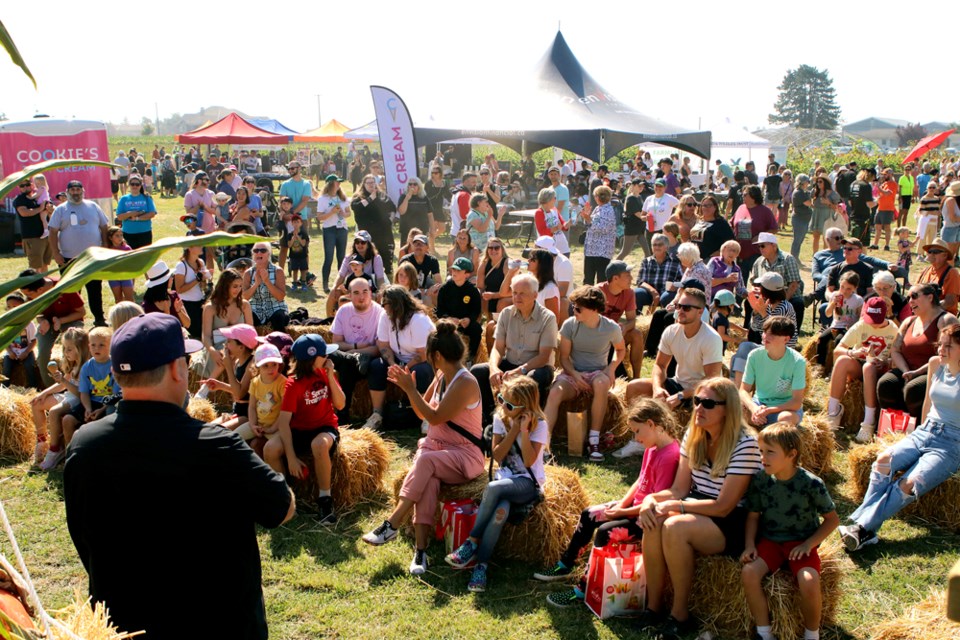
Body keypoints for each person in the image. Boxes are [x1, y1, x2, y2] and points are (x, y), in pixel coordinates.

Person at [63, 314, 294, 640]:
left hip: (125, 627)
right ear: (177, 369)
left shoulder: (83, 445)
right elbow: (283, 508)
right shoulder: (216, 445)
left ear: (115, 373)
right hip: (217, 626)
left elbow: (83, 537)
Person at [637, 377, 762, 639]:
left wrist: (674, 506)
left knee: (673, 526)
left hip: (731, 520)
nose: (698, 408)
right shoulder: (693, 435)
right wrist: (651, 500)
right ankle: (653, 606)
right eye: (696, 401)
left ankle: (680, 614)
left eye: (708, 403)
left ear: (728, 409)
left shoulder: (745, 444)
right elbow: (678, 490)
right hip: (696, 505)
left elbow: (724, 506)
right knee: (654, 520)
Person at [361, 320, 486, 577]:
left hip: (464, 455)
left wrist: (410, 388)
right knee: (428, 478)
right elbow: (423, 415)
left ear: (437, 356)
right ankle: (421, 551)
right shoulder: (441, 376)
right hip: (437, 450)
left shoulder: (465, 382)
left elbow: (436, 416)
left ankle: (392, 523)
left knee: (426, 462)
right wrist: (410, 391)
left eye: (430, 356)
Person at [535, 398, 681, 606]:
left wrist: (621, 514)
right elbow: (640, 481)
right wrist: (621, 505)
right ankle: (565, 564)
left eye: (637, 431)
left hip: (646, 520)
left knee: (606, 532)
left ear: (652, 424)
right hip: (632, 509)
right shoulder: (652, 447)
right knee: (590, 513)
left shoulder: (669, 456)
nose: (636, 438)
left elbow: (655, 505)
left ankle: (582, 590)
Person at [839, 323, 960, 553]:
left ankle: (861, 528)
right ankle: (866, 529)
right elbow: (928, 404)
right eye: (940, 345)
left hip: (951, 443)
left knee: (909, 483)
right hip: (925, 431)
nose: (941, 350)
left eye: (949, 346)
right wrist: (920, 432)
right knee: (882, 460)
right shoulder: (936, 365)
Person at [444, 376, 548, 592]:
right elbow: (498, 456)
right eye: (501, 399)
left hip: (527, 484)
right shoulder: (500, 418)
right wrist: (513, 429)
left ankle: (471, 542)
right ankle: (480, 567)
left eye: (509, 404)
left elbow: (529, 462)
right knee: (500, 513)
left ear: (525, 407)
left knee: (492, 488)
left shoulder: (540, 425)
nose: (503, 405)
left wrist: (525, 431)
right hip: (504, 479)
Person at [741, 424, 839, 640]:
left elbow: (832, 520)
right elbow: (753, 515)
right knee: (749, 573)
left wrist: (808, 545)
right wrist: (749, 545)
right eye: (761, 451)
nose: (763, 457)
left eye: (770, 452)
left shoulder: (811, 484)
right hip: (771, 542)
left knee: (809, 579)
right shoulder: (760, 480)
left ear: (791, 454)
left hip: (800, 544)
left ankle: (811, 634)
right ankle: (764, 632)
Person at [263, 334, 344, 525]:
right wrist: (291, 457)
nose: (328, 359)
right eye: (324, 355)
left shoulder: (326, 373)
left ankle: (325, 501)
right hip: (299, 430)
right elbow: (284, 423)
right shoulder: (293, 384)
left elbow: (340, 405)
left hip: (325, 427)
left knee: (319, 444)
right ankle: (285, 498)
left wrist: (331, 376)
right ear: (313, 358)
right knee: (270, 449)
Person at [543, 285, 625, 462]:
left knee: (602, 384)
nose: (574, 310)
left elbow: (620, 350)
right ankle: (544, 443)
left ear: (594, 309)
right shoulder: (569, 325)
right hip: (573, 373)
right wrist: (574, 374)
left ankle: (594, 440)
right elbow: (564, 358)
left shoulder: (611, 328)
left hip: (598, 373)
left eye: (578, 308)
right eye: (573, 306)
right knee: (555, 392)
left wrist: (611, 368)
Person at [470, 273, 558, 425]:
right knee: (477, 371)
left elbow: (544, 357)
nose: (517, 297)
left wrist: (520, 371)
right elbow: (497, 348)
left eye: (522, 293)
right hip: (511, 363)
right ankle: (491, 419)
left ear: (535, 295)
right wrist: (493, 369)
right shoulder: (506, 313)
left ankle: (527, 422)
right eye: (514, 293)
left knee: (532, 378)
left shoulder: (547, 318)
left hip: (537, 367)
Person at [626, 287, 723, 411]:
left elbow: (711, 379)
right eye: (678, 306)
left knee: (702, 404)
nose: (681, 311)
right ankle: (635, 427)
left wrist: (681, 395)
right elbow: (660, 365)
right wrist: (657, 388)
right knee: (634, 387)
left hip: (703, 390)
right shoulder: (671, 331)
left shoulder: (711, 338)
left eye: (686, 308)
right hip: (678, 384)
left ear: (700, 312)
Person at [873, 283, 959, 422]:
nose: (910, 301)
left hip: (933, 372)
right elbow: (895, 350)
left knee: (913, 390)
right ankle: (893, 428)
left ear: (930, 297)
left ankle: (917, 428)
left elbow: (948, 352)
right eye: (908, 298)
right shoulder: (908, 321)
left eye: (914, 296)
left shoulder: (946, 320)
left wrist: (917, 372)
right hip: (906, 370)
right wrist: (906, 370)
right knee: (885, 384)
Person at [362, 286, 436, 430]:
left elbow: (423, 354)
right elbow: (383, 344)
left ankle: (426, 415)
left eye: (385, 304)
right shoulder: (385, 316)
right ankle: (377, 414)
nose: (383, 307)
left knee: (421, 371)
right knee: (376, 366)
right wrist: (392, 364)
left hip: (421, 360)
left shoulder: (418, 319)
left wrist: (405, 369)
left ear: (396, 304)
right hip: (397, 358)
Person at [827, 297, 899, 441]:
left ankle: (868, 421)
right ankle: (833, 412)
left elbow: (899, 356)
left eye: (877, 320)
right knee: (842, 360)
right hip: (859, 363)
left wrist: (886, 361)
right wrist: (853, 353)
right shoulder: (861, 325)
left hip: (879, 369)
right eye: (871, 319)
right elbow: (838, 350)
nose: (873, 324)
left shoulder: (894, 330)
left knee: (869, 367)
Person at [48, 180, 109, 327]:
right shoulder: (61, 209)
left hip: (92, 257)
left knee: (95, 289)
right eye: (73, 190)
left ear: (83, 191)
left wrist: (105, 245)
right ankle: (73, 321)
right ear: (67, 192)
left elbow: (104, 226)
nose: (76, 192)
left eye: (78, 189)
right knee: (71, 292)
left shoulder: (93, 206)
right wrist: (56, 253)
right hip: (68, 259)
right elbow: (52, 232)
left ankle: (99, 319)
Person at [328, 278, 386, 420]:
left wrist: (354, 353)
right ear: (349, 295)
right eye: (356, 293)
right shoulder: (343, 311)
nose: (361, 297)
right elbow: (336, 343)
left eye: (365, 292)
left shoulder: (380, 313)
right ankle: (341, 413)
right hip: (347, 356)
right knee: (327, 352)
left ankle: (343, 414)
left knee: (347, 365)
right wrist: (355, 348)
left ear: (371, 292)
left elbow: (379, 348)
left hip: (367, 361)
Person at [18, 269, 86, 387]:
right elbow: (37, 313)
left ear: (40, 290)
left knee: (69, 352)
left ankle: (71, 385)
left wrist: (61, 321)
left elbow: (81, 312)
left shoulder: (64, 286)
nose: (27, 298)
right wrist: (42, 321)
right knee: (42, 355)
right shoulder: (33, 291)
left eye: (28, 295)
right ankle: (49, 387)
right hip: (48, 323)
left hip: (71, 320)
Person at [739, 317, 807, 427]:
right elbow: (743, 390)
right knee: (736, 411)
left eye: (773, 334)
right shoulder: (754, 356)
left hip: (785, 409)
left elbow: (796, 401)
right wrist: (754, 408)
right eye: (765, 332)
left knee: (785, 419)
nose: (766, 337)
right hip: (759, 405)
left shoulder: (797, 361)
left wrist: (770, 410)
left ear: (786, 339)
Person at [199, 269, 254, 379]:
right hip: (217, 345)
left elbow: (251, 332)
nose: (238, 290)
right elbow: (206, 336)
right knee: (226, 353)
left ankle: (206, 388)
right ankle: (207, 388)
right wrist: (212, 351)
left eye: (240, 286)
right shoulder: (210, 307)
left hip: (239, 346)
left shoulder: (244, 305)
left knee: (232, 352)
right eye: (235, 286)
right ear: (225, 286)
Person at [235, 343, 287, 444]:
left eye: (274, 364)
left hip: (276, 427)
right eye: (265, 365)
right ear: (257, 366)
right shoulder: (254, 382)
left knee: (276, 447)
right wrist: (253, 425)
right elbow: (252, 407)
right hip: (258, 424)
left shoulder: (283, 383)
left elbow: (284, 412)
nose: (271, 369)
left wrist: (273, 429)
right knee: (233, 438)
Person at [600, 261, 644, 378]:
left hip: (615, 333)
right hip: (599, 335)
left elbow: (632, 321)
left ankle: (636, 378)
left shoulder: (629, 293)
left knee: (636, 334)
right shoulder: (598, 292)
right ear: (615, 278)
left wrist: (625, 327)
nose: (632, 278)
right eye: (627, 275)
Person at [436, 257, 483, 362]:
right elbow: (439, 310)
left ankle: (470, 358)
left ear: (467, 274)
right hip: (449, 322)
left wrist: (469, 319)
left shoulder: (473, 291)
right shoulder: (445, 289)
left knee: (476, 329)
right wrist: (448, 318)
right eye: (453, 269)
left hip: (464, 324)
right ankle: (443, 358)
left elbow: (476, 310)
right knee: (439, 330)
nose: (454, 272)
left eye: (458, 270)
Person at [813, 272, 863, 365]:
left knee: (838, 341)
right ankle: (820, 365)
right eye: (842, 287)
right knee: (821, 339)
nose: (844, 291)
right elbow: (827, 314)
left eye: (849, 289)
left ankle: (835, 368)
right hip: (836, 326)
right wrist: (832, 304)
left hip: (849, 328)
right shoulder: (835, 295)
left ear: (855, 288)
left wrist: (853, 327)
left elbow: (861, 318)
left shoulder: (858, 300)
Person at [352, 174, 397, 275]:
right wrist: (370, 198)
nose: (371, 185)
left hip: (384, 233)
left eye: (373, 182)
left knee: (386, 259)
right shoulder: (358, 197)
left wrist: (390, 220)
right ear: (364, 184)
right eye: (368, 183)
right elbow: (356, 207)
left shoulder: (382, 196)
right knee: (369, 260)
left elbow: (393, 208)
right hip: (367, 234)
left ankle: (387, 277)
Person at [731, 185, 779, 277]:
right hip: (740, 252)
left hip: (757, 252)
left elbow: (774, 228)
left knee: (758, 282)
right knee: (740, 283)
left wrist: (760, 236)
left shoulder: (764, 211)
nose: (742, 196)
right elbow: (732, 224)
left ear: (753, 196)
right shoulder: (741, 208)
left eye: (745, 195)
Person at [243, 241, 288, 331]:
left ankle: (281, 344)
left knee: (279, 319)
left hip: (275, 307)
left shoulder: (278, 271)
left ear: (268, 254)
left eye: (263, 250)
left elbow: (280, 297)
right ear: (253, 254)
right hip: (255, 308)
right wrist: (256, 284)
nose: (259, 253)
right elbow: (244, 298)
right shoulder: (248, 273)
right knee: (245, 321)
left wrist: (267, 281)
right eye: (256, 250)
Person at [634, 234, 682, 313]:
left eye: (660, 245)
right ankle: (636, 319)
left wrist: (675, 286)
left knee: (667, 297)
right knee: (637, 293)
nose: (656, 247)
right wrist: (653, 292)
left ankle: (664, 320)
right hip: (649, 294)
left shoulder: (675, 262)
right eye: (654, 245)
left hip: (666, 293)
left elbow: (681, 283)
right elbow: (640, 281)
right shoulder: (646, 261)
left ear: (666, 247)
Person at [580, 185, 617, 285]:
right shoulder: (598, 208)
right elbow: (590, 224)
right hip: (592, 251)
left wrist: (588, 219)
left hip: (602, 251)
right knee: (588, 279)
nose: (596, 198)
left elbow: (603, 228)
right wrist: (587, 217)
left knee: (601, 281)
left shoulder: (608, 210)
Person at [2, 293, 38, 389]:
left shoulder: (28, 324)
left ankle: (33, 388)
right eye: (9, 306)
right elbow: (4, 340)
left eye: (15, 306)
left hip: (26, 350)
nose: (11, 309)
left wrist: (26, 352)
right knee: (6, 367)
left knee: (30, 366)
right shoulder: (6, 323)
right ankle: (4, 388)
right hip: (11, 351)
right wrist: (9, 351)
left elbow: (34, 341)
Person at [173, 245, 211, 340]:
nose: (201, 246)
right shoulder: (181, 266)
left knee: (206, 332)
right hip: (187, 305)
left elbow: (202, 286)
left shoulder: (200, 262)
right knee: (198, 333)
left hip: (200, 303)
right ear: (189, 248)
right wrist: (197, 279)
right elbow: (179, 289)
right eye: (198, 244)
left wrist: (204, 279)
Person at [14, 177, 52, 270]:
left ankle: (45, 283)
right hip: (32, 237)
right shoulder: (20, 199)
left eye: (27, 184)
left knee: (45, 263)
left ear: (32, 185)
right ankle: (36, 284)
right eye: (22, 186)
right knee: (35, 265)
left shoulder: (39, 196)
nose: (25, 187)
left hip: (46, 236)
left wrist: (51, 209)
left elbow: (50, 209)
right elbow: (24, 213)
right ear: (19, 187)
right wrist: (40, 209)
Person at [916, 238, 960, 315]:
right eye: (930, 252)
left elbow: (950, 301)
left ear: (945, 255)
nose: (931, 254)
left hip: (942, 317)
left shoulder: (952, 273)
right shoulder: (925, 271)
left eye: (935, 252)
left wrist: (929, 310)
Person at [115, 174, 157, 249]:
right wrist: (131, 213)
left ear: (140, 185)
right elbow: (119, 217)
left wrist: (137, 218)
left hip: (145, 233)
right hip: (128, 233)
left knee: (144, 257)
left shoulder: (147, 197)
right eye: (132, 184)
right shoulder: (123, 199)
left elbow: (152, 213)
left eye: (137, 184)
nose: (135, 186)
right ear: (129, 185)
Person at [399, 233, 442, 304]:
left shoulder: (432, 260)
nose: (418, 246)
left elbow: (439, 282)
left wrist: (434, 289)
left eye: (421, 244)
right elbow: (402, 284)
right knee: (427, 299)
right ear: (412, 247)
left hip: (423, 287)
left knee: (436, 293)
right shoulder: (406, 260)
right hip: (407, 290)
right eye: (416, 244)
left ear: (427, 247)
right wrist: (425, 291)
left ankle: (437, 314)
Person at [641, 178, 680, 254]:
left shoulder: (669, 198)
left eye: (660, 186)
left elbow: (681, 208)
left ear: (665, 188)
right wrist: (646, 218)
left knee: (663, 253)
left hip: (664, 230)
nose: (658, 188)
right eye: (656, 186)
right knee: (651, 253)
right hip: (650, 230)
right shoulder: (649, 199)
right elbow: (642, 215)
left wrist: (675, 218)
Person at [689, 194, 733, 260]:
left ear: (715, 207)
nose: (707, 208)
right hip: (694, 259)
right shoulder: (698, 221)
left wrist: (718, 253)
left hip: (711, 260)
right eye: (704, 205)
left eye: (709, 205)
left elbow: (730, 242)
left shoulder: (721, 223)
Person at [397, 177, 433, 251]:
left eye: (415, 184)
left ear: (419, 186)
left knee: (422, 251)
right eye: (410, 184)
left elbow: (430, 214)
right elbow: (401, 211)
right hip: (406, 230)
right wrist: (407, 198)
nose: (412, 186)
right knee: (406, 251)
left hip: (422, 229)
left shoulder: (424, 198)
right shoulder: (403, 196)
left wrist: (432, 228)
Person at [527, 248, 561, 323]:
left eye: (532, 259)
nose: (528, 261)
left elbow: (554, 320)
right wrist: (511, 272)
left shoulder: (550, 289)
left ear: (542, 264)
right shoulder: (529, 281)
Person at [424, 166, 451, 254]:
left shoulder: (444, 183)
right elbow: (425, 195)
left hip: (439, 208)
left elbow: (448, 194)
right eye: (432, 172)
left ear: (440, 173)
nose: (434, 174)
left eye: (436, 173)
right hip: (431, 208)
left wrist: (452, 200)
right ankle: (432, 249)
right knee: (433, 228)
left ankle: (428, 240)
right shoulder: (428, 183)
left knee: (442, 228)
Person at [104, 227, 134, 304]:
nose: (120, 237)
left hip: (126, 276)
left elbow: (132, 263)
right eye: (117, 235)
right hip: (113, 277)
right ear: (110, 238)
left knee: (129, 299)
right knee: (118, 300)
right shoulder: (108, 249)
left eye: (121, 235)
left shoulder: (127, 248)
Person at [872, 169, 898, 251]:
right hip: (880, 208)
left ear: (890, 174)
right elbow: (879, 194)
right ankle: (875, 244)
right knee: (877, 227)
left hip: (888, 209)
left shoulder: (893, 184)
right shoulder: (884, 184)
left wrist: (878, 187)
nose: (883, 176)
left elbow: (887, 193)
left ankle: (887, 245)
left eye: (885, 174)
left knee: (887, 227)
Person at [791, 174, 814, 261]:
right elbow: (809, 203)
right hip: (799, 219)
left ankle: (796, 257)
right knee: (797, 240)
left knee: (799, 240)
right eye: (807, 182)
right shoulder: (799, 193)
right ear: (802, 182)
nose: (808, 183)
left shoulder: (802, 192)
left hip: (803, 219)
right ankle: (794, 258)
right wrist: (810, 195)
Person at [284, 215, 310, 289]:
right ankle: (294, 283)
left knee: (303, 270)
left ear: (301, 223)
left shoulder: (304, 233)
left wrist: (298, 237)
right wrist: (293, 238)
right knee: (294, 270)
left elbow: (303, 243)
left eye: (298, 222)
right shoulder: (289, 234)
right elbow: (289, 245)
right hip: (293, 256)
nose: (296, 224)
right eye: (294, 222)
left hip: (303, 255)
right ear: (292, 223)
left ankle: (304, 283)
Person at [940, 182, 960, 259]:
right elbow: (953, 218)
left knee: (951, 256)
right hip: (950, 229)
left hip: (956, 228)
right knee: (948, 257)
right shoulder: (950, 200)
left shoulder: (955, 201)